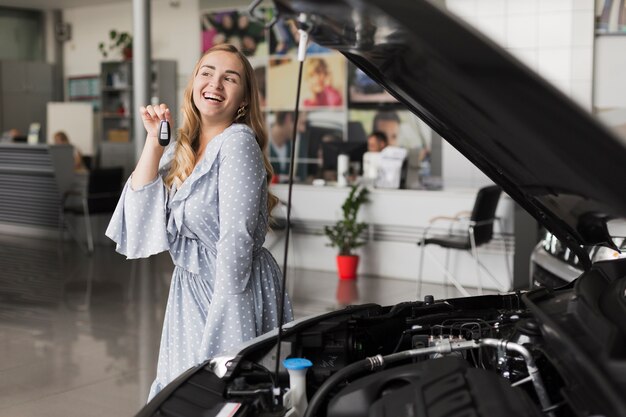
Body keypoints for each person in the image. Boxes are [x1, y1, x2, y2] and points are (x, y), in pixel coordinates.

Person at [105, 44, 294, 401]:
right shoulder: (185, 147)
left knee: (221, 392)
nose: (215, 84)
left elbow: (236, 241)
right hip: (191, 291)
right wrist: (154, 141)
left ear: (243, 99)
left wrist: (225, 330)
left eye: (230, 78)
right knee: (185, 392)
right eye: (206, 73)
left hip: (231, 288)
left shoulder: (237, 144)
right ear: (193, 84)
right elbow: (140, 215)